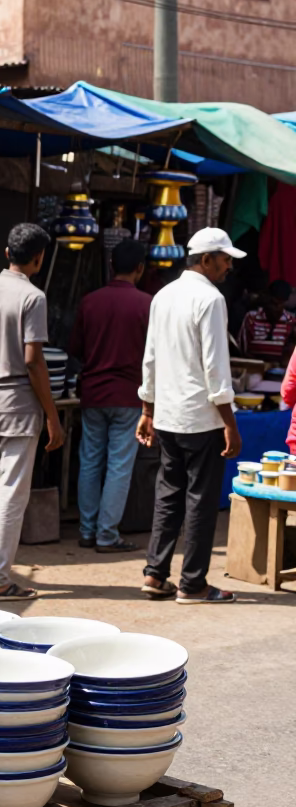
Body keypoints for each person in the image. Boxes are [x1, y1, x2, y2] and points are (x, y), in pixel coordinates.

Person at [137, 227, 243, 604]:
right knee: (199, 498)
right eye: (225, 259)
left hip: (168, 415)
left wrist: (148, 408)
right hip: (200, 417)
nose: (229, 266)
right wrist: (230, 423)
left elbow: (150, 357)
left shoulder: (163, 295)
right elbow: (216, 370)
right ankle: (193, 583)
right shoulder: (211, 299)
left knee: (169, 494)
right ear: (206, 259)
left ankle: (155, 573)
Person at [0, 224, 64, 601]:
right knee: (11, 495)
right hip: (20, 408)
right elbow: (34, 361)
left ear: (7, 253)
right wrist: (52, 416)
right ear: (38, 258)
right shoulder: (33, 297)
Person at [68, 239, 151, 553]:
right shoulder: (147, 304)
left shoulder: (90, 301)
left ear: (112, 266)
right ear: (140, 268)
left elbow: (75, 347)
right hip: (130, 396)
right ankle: (106, 535)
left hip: (93, 394)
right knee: (119, 466)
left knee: (89, 462)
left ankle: (88, 531)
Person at [236, 279, 296, 364]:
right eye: (273, 303)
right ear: (267, 300)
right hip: (254, 368)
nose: (276, 308)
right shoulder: (251, 318)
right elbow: (241, 351)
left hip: (280, 370)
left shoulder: (290, 322)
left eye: (280, 304)